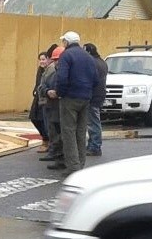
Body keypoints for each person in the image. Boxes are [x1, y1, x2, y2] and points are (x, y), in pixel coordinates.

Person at [49, 31, 98, 175]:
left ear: (66, 42)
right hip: (85, 98)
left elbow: (62, 77)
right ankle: (81, 164)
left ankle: (73, 167)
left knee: (68, 132)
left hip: (70, 98)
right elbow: (95, 79)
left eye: (63, 41)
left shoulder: (66, 55)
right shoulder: (88, 57)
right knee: (81, 132)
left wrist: (60, 93)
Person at [39, 46, 64, 166]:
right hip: (52, 105)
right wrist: (47, 91)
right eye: (54, 60)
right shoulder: (53, 72)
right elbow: (42, 86)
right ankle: (57, 155)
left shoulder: (58, 72)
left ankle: (59, 156)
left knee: (59, 133)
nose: (56, 62)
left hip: (60, 107)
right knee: (53, 130)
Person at [84, 43, 108, 157]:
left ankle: (95, 146)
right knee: (94, 121)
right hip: (100, 95)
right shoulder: (102, 62)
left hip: (93, 96)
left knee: (93, 122)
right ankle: (93, 145)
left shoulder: (91, 63)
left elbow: (89, 80)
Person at [29, 50, 51, 153]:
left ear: (48, 59)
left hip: (46, 98)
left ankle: (47, 140)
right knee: (34, 117)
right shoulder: (40, 70)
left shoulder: (51, 70)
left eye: (43, 59)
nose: (41, 62)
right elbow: (38, 83)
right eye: (40, 60)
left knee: (44, 119)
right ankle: (45, 138)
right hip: (38, 96)